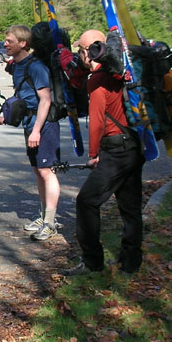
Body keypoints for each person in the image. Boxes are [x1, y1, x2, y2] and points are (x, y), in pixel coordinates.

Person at [62, 29, 145, 276]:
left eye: (80, 51)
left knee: (86, 201)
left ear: (89, 52)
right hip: (133, 145)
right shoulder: (119, 73)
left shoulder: (96, 80)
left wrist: (93, 154)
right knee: (130, 209)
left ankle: (92, 263)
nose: (78, 57)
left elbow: (97, 121)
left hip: (115, 148)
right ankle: (131, 264)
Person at [0, 24, 61, 241]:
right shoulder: (18, 66)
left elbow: (45, 100)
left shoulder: (36, 67)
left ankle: (50, 222)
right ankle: (43, 217)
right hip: (31, 125)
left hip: (44, 125)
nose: (5, 44)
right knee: (38, 171)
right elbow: (24, 101)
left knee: (47, 171)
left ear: (23, 43)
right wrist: (4, 119)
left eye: (9, 41)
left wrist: (36, 131)